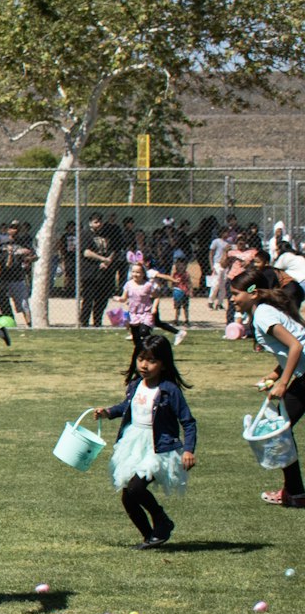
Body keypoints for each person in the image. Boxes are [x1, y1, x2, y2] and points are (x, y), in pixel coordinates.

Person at [92, 333, 196, 549]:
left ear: (164, 364)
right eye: (141, 359)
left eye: (152, 360)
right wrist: (108, 412)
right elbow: (126, 407)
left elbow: (188, 421)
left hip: (158, 446)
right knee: (127, 497)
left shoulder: (169, 391)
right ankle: (150, 537)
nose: (144, 365)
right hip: (133, 443)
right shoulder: (135, 385)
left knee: (137, 488)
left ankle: (162, 521)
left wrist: (188, 450)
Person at [230, 271, 305, 508]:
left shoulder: (262, 314)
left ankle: (295, 492)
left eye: (235, 294)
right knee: (280, 428)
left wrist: (283, 382)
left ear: (252, 293)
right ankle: (294, 492)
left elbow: (294, 346)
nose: (232, 299)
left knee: (278, 430)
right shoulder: (264, 311)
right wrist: (275, 375)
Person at [78, 214, 119, 326]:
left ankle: (97, 322)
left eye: (100, 221)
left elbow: (114, 249)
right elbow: (86, 252)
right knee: (88, 300)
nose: (99, 224)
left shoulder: (107, 234)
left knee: (102, 300)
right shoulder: (85, 234)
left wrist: (108, 261)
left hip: (105, 273)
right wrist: (102, 259)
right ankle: (84, 323)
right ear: (90, 223)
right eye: (96, 222)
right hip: (90, 272)